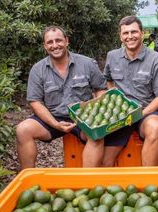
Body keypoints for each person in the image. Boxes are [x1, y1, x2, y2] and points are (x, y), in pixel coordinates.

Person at [15, 26, 107, 169]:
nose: (55, 45)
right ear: (45, 46)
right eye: (50, 42)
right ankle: (28, 177)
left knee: (97, 133)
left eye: (58, 40)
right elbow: (35, 102)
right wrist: (55, 124)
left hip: (83, 116)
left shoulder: (87, 63)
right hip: (53, 117)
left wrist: (94, 111)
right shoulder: (38, 69)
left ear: (66, 41)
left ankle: (87, 182)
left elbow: (101, 89)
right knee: (23, 130)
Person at [102, 16, 158, 166]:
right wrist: (114, 99)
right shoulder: (112, 56)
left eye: (134, 32)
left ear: (142, 33)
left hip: (147, 111)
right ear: (120, 36)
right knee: (104, 161)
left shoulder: (156, 60)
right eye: (125, 33)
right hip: (120, 115)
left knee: (155, 127)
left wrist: (138, 114)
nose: (130, 36)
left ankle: (148, 179)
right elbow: (107, 79)